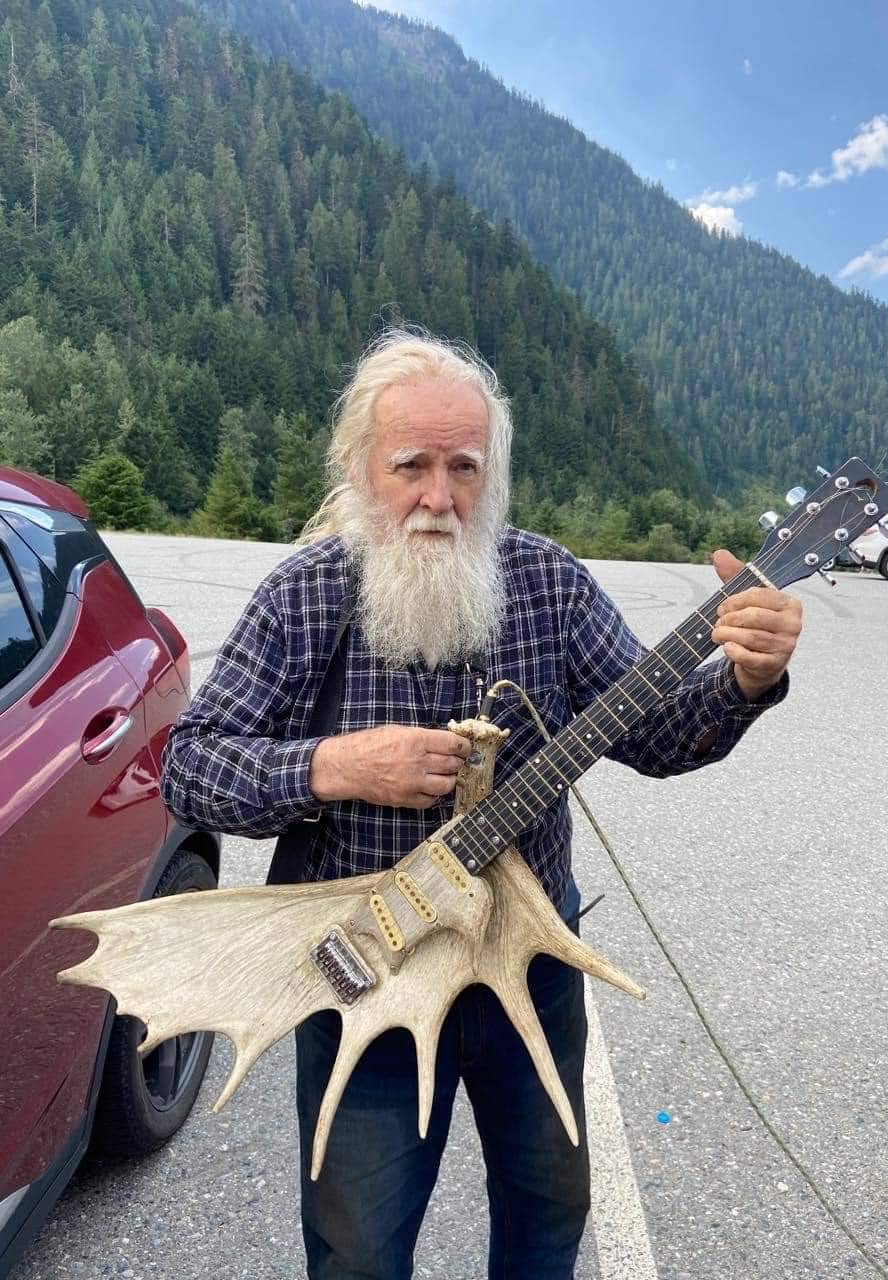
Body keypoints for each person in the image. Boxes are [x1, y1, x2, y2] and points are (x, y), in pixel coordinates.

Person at [161, 329, 802, 1280]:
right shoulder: (303, 598)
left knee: (548, 1213)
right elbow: (190, 768)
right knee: (357, 1246)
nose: (438, 496)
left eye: (463, 467)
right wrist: (334, 766)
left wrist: (747, 678)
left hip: (527, 965)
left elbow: (658, 736)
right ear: (358, 467)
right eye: (410, 466)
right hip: (366, 972)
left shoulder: (547, 584)